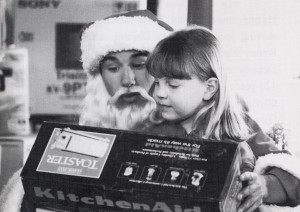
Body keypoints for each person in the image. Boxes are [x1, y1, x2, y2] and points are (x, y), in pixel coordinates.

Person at [0, 9, 174, 212]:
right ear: (99, 78)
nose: (128, 80)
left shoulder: (192, 140)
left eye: (139, 64)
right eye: (113, 68)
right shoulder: (67, 149)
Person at [145, 26, 300, 212]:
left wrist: (265, 185)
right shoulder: (149, 129)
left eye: (172, 85)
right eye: (156, 82)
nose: (159, 93)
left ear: (209, 88)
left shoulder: (240, 127)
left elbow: (291, 175)